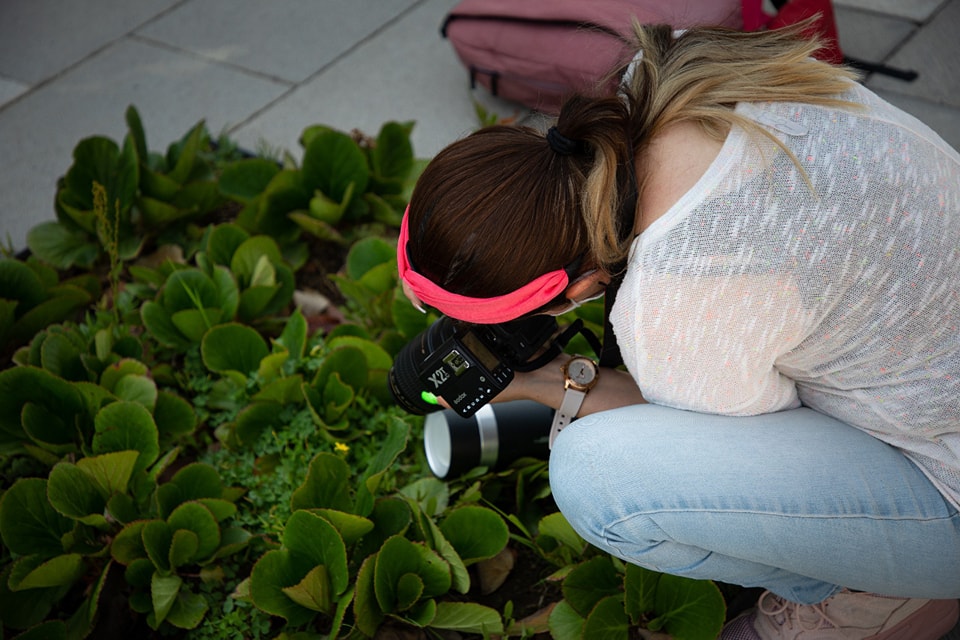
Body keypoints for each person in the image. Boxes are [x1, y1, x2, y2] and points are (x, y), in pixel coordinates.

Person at [397, 20, 960, 640]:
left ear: (579, 290)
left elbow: (745, 437)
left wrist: (545, 382)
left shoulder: (682, 289)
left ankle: (877, 594)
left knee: (598, 479)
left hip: (947, 479)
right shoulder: (673, 73)